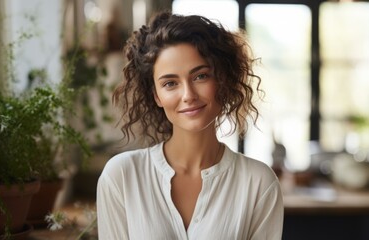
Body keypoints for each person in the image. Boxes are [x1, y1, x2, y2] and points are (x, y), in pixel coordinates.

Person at [96, 10, 284, 240]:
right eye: (170, 83)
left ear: (222, 80)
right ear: (156, 96)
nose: (188, 95)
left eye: (200, 76)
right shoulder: (122, 176)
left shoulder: (259, 183)